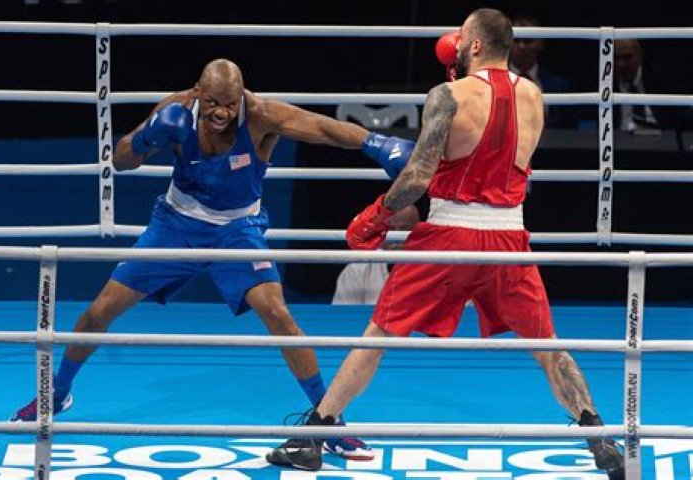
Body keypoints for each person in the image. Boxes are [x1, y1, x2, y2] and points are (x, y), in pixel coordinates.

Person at [266, 9, 625, 479]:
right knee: (548, 347)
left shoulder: (448, 95)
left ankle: (315, 437)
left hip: (450, 235)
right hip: (508, 237)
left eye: (462, 37)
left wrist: (376, 215)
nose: (454, 43)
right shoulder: (534, 96)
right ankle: (601, 440)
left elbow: (417, 177)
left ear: (474, 44)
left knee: (379, 335)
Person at [9, 58, 417, 461]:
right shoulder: (176, 108)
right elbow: (121, 160)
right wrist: (148, 137)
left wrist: (375, 143)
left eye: (230, 104)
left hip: (238, 230)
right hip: (174, 224)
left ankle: (328, 422)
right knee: (100, 311)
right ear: (198, 92)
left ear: (242, 97)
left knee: (279, 316)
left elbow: (323, 129)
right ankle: (56, 395)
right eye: (213, 103)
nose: (222, 112)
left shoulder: (260, 115)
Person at [332, 205, 419, 305]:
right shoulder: (358, 269)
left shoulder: (431, 267)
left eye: (405, 229)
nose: (396, 236)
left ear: (418, 231)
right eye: (390, 229)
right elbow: (343, 313)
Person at [509, 14, 574, 128]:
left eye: (528, 41)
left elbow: (570, 130)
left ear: (540, 43)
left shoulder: (558, 86)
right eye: (516, 40)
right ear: (508, 44)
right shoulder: (492, 82)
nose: (521, 46)